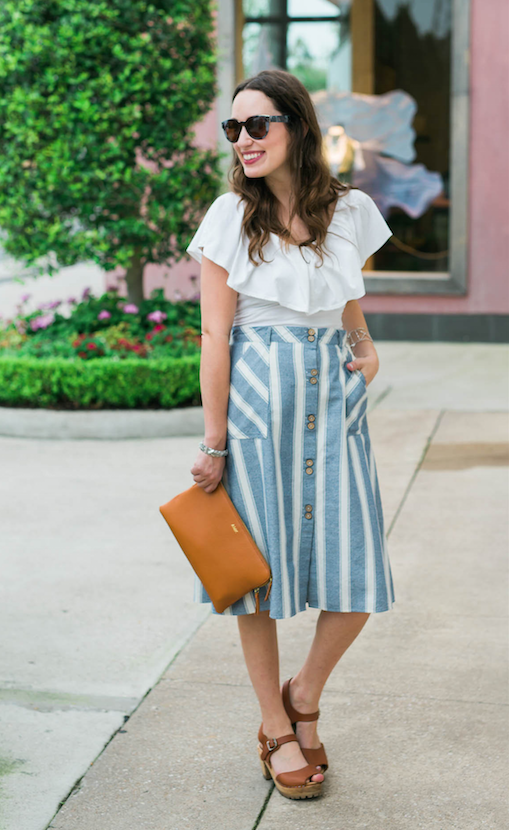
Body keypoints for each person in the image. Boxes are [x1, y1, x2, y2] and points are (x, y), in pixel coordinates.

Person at [185, 69, 395, 801]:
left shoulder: (349, 210)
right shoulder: (226, 219)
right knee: (258, 578)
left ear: (297, 127)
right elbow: (215, 336)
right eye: (232, 130)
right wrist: (215, 441)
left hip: (333, 401)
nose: (242, 141)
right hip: (256, 405)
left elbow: (346, 306)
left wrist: (365, 350)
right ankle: (274, 724)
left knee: (358, 573)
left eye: (257, 126)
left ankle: (303, 693)